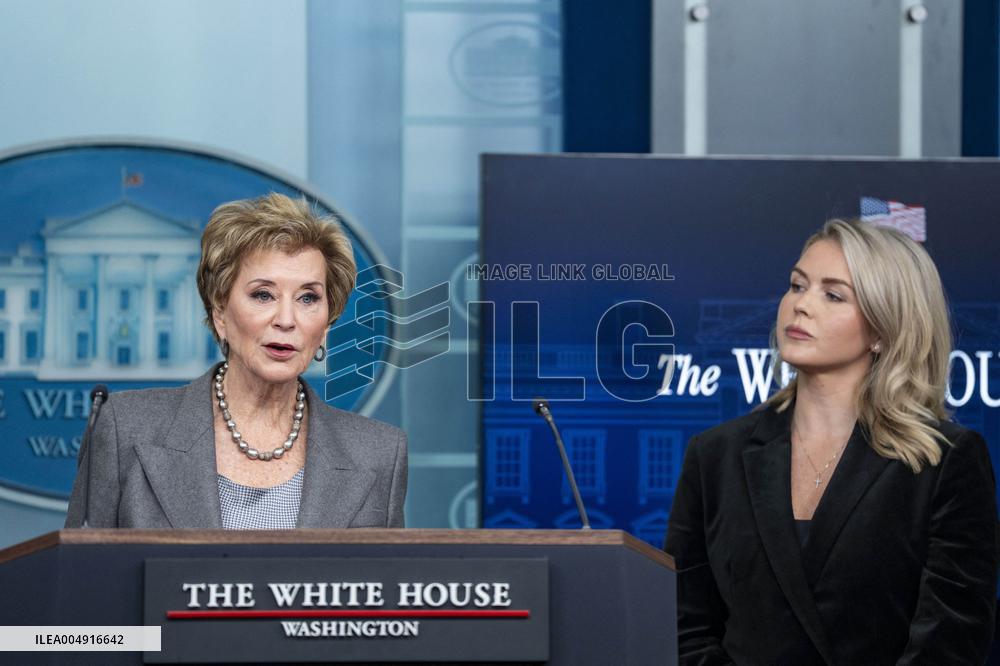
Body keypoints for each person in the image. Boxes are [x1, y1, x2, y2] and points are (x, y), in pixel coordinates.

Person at [664, 219, 998, 664]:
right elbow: (684, 626)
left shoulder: (944, 461)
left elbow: (950, 642)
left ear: (882, 329)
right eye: (797, 285)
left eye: (833, 294)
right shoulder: (714, 455)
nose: (800, 306)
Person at [65, 193, 407, 529]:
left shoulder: (379, 454)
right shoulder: (124, 428)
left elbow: (389, 584)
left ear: (327, 323)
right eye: (263, 294)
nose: (286, 319)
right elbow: (80, 577)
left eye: (308, 297)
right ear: (220, 313)